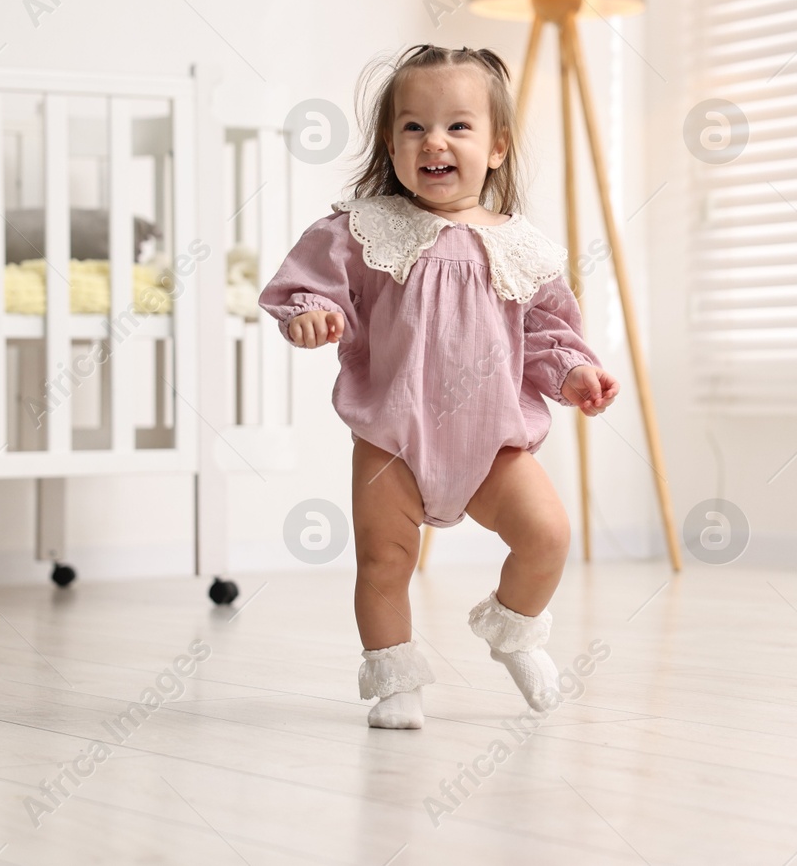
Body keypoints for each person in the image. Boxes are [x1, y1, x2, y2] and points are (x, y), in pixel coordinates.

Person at [259, 43, 620, 729]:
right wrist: (313, 316)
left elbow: (544, 332)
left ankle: (512, 629)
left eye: (458, 125)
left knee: (547, 534)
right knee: (384, 560)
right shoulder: (365, 229)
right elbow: (307, 289)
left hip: (492, 444)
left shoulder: (521, 246)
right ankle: (395, 679)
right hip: (392, 437)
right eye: (413, 125)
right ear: (390, 145)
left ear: (496, 147)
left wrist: (574, 372)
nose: (435, 140)